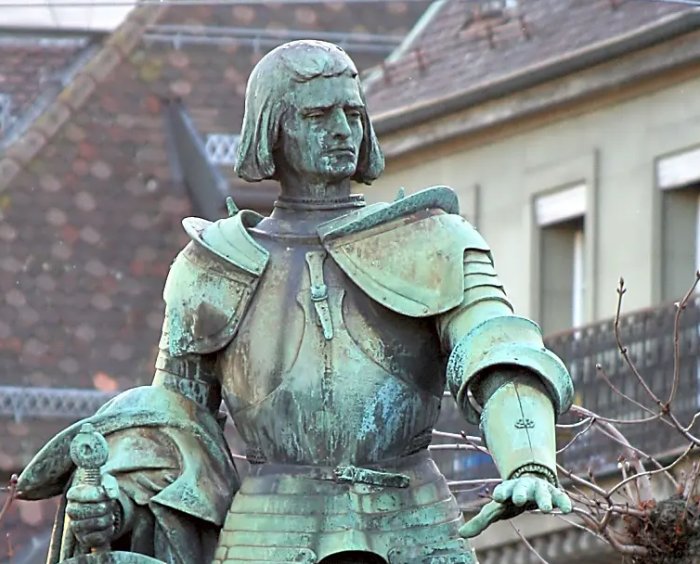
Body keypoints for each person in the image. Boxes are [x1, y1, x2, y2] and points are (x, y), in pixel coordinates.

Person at [18, 40, 573, 564]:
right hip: (269, 531)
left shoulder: (434, 242)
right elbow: (172, 430)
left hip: (416, 525)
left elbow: (497, 349)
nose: (341, 131)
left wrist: (529, 461)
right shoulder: (209, 267)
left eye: (352, 114)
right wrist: (114, 504)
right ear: (272, 129)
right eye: (317, 116)